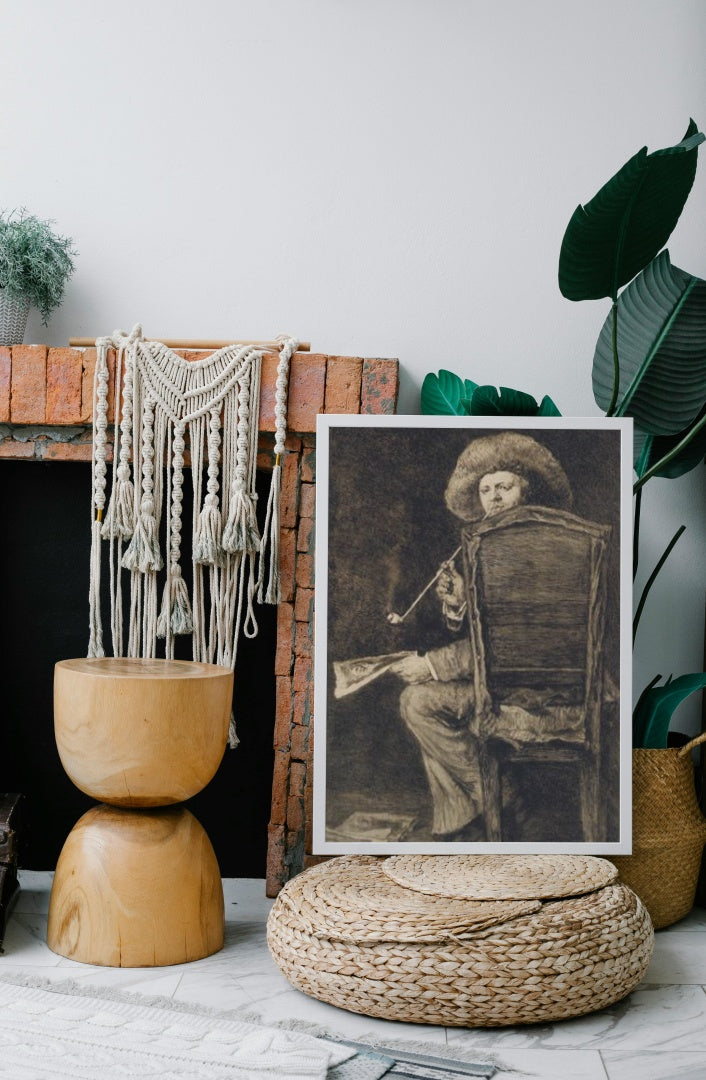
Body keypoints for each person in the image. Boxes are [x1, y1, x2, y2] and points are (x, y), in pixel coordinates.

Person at [389, 432, 573, 841]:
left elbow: (518, 644)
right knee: (416, 701)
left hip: (538, 689)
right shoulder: (497, 545)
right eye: (486, 490)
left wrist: (433, 665)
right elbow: (497, 629)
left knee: (418, 702)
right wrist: (459, 602)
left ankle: (500, 799)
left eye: (503, 487)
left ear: (526, 491)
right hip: (509, 676)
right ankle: (464, 819)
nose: (492, 498)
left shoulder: (533, 547)